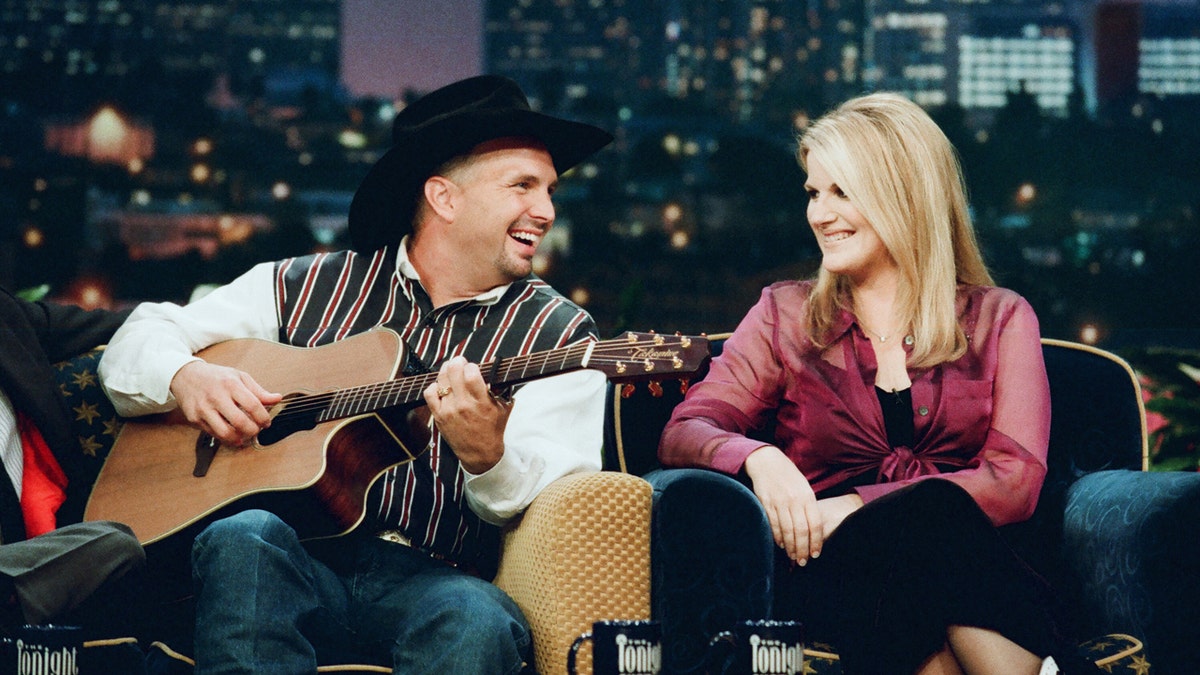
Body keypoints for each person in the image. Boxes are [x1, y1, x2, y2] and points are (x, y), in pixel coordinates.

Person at [99, 75, 613, 674]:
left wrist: (488, 458)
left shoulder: (561, 335)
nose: (546, 211)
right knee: (243, 538)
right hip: (295, 562)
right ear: (444, 199)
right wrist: (188, 379)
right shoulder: (305, 283)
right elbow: (139, 337)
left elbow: (560, 487)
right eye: (522, 185)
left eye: (550, 190)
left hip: (436, 580)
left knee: (476, 620)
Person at [658, 93, 1101, 675]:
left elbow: (1015, 481)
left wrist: (854, 505)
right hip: (835, 574)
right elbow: (685, 430)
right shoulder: (783, 317)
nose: (820, 214)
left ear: (904, 196)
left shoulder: (1001, 318)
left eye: (842, 192)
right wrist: (759, 458)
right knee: (929, 522)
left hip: (974, 575)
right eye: (814, 193)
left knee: (934, 519)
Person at [0, 286, 145, 637]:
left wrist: (192, 326)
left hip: (16, 561)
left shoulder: (6, 316)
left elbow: (115, 324)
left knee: (114, 546)